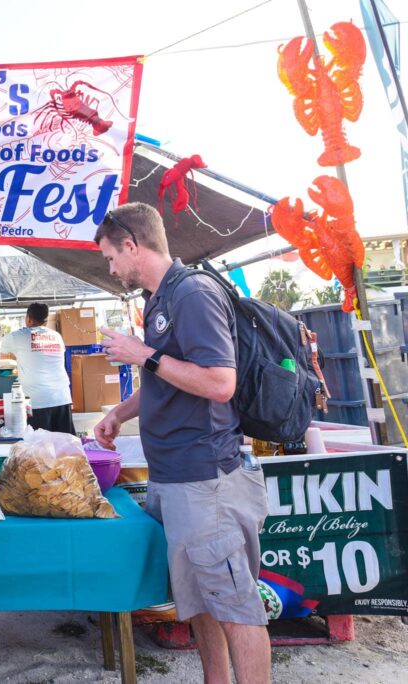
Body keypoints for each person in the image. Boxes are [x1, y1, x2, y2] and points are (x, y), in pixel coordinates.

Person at [92, 202, 271, 684]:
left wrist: (142, 355)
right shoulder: (160, 298)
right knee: (198, 603)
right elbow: (171, 380)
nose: (110, 268)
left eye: (111, 257)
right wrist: (119, 413)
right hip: (175, 479)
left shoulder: (192, 293)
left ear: (132, 245)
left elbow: (218, 383)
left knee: (235, 606)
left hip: (206, 479)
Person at [0, 302, 75, 434]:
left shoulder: (18, 336)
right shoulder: (57, 336)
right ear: (46, 320)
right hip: (61, 397)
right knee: (65, 446)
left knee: (39, 449)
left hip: (38, 401)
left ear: (29, 318)